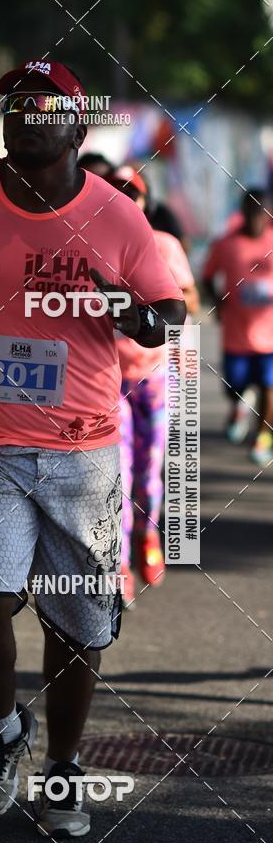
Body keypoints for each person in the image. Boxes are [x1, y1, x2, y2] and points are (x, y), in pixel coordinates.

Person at [0, 60, 185, 837]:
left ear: (78, 128)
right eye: (15, 104)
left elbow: (172, 311)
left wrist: (138, 319)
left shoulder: (118, 216)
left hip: (82, 451)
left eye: (44, 105)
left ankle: (62, 765)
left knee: (74, 621)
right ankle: (3, 729)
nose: (26, 114)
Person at [107, 166, 199, 605]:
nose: (126, 202)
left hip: (157, 378)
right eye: (117, 194)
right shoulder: (92, 247)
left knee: (148, 469)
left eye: (133, 194)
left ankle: (148, 535)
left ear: (146, 202)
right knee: (119, 473)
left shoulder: (165, 246)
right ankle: (120, 560)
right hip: (108, 380)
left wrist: (187, 363)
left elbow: (188, 305)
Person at [203, 190, 273, 465]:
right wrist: (218, 303)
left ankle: (262, 438)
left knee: (269, 387)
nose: (257, 219)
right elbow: (208, 277)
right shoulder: (226, 244)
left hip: (270, 337)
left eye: (262, 214)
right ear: (242, 213)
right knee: (234, 386)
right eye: (251, 213)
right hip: (237, 335)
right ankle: (239, 407)